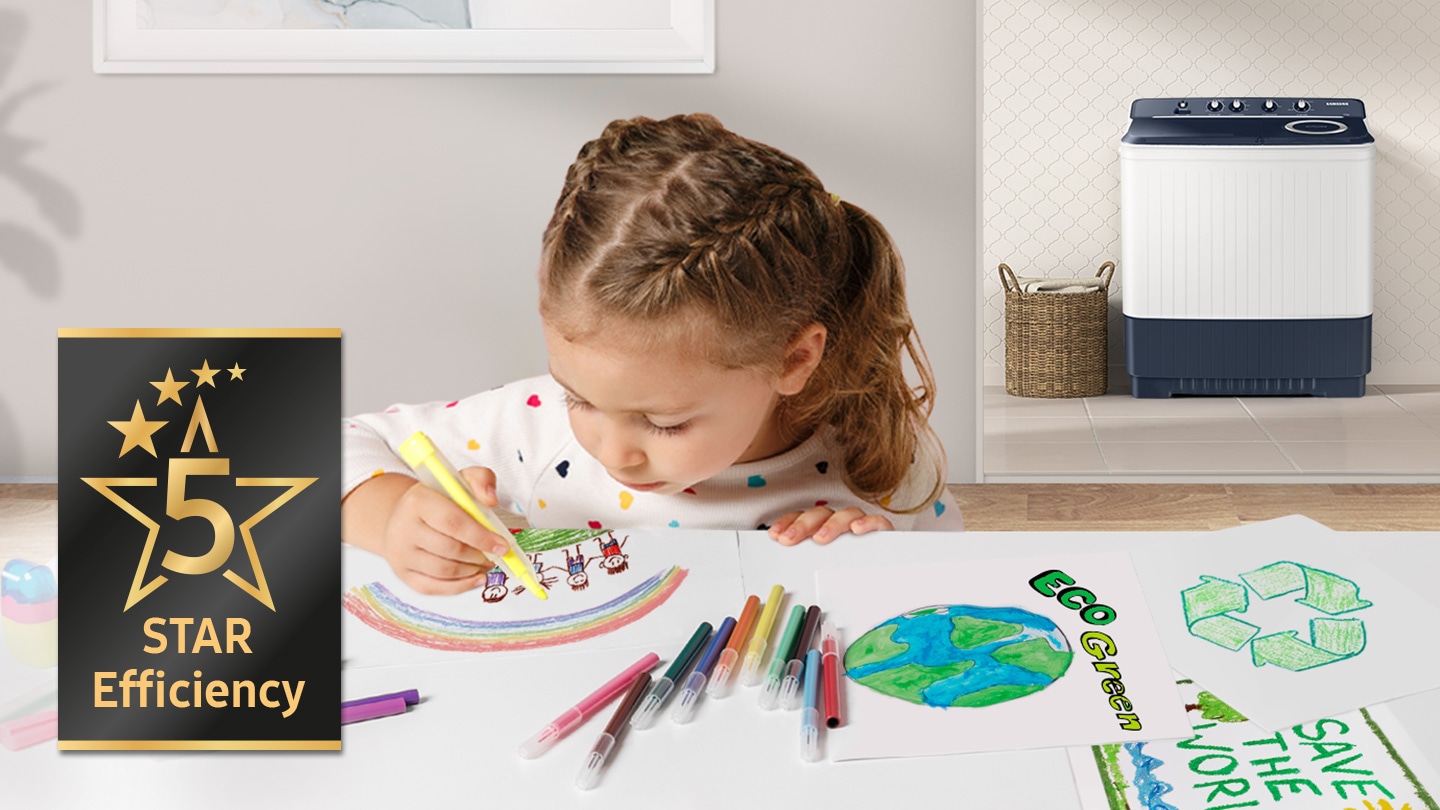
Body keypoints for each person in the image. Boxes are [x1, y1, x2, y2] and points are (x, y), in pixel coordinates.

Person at [341, 113, 963, 594]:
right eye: (578, 397)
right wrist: (393, 515)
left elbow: (954, 593)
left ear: (794, 360)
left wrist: (880, 568)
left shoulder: (882, 461)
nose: (613, 453)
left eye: (664, 423)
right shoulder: (533, 428)